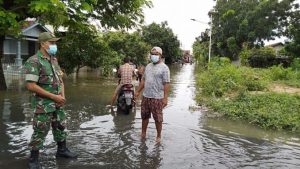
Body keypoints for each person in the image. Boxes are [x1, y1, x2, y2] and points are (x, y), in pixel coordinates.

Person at [24, 32, 77, 169]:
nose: (54, 45)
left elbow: (60, 80)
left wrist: (62, 97)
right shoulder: (34, 61)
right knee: (40, 130)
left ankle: (62, 150)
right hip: (43, 104)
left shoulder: (54, 60)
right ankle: (34, 159)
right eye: (51, 42)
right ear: (42, 44)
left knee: (61, 126)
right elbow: (30, 85)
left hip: (58, 102)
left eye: (55, 42)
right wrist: (54, 97)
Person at [135, 46, 170, 143]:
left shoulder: (164, 68)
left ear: (160, 55)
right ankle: (143, 133)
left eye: (156, 54)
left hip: (157, 97)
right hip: (146, 96)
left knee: (158, 118)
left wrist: (165, 98)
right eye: (152, 54)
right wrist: (138, 91)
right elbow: (143, 80)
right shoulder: (148, 66)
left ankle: (158, 136)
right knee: (144, 116)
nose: (153, 56)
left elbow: (166, 83)